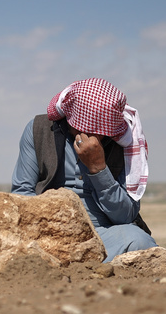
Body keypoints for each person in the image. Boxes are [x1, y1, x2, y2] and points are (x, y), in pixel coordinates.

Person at [11, 78, 156, 262]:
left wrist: (98, 169)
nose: (97, 136)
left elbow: (125, 216)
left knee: (139, 241)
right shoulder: (39, 130)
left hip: (103, 235)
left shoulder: (125, 144)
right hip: (49, 232)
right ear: (71, 117)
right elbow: (22, 194)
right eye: (90, 128)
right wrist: (55, 226)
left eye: (104, 131)